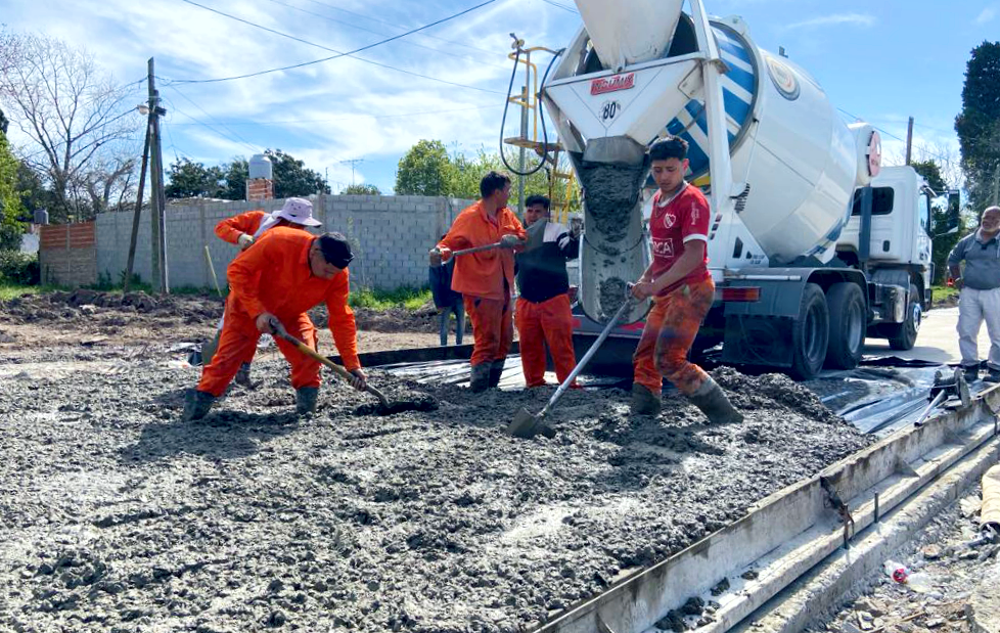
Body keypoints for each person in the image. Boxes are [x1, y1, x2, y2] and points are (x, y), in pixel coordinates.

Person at [183, 229, 366, 421]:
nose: (330, 277)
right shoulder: (279, 241)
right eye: (327, 271)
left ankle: (306, 415)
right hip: (246, 308)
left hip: (290, 314)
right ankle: (194, 414)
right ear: (315, 252)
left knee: (308, 357)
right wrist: (258, 312)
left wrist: (352, 365)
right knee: (226, 364)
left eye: (334, 273)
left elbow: (341, 319)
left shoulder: (337, 274)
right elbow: (237, 271)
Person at [629, 136, 742, 424]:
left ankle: (725, 416)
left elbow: (693, 255)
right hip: (667, 291)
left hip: (691, 289)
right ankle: (644, 412)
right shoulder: (658, 200)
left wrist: (654, 286)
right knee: (645, 353)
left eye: (670, 169)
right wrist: (645, 279)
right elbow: (663, 253)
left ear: (685, 166)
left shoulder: (692, 201)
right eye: (657, 171)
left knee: (669, 358)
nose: (663, 177)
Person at [208, 197, 322, 387]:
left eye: (303, 226)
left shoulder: (300, 242)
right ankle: (237, 371)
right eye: (298, 225)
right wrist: (239, 237)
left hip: (276, 293)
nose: (300, 229)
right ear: (287, 220)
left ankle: (309, 371)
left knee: (303, 330)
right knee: (243, 330)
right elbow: (221, 227)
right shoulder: (258, 220)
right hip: (247, 287)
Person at [429, 171, 526, 392]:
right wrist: (438, 253)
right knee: (487, 340)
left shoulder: (506, 216)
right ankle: (479, 390)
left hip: (503, 288)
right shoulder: (470, 217)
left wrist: (516, 239)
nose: (509, 194)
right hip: (480, 290)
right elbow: (449, 244)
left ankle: (492, 388)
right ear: (497, 192)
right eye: (508, 190)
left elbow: (523, 238)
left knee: (504, 340)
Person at [515, 194, 580, 388]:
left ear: (546, 213)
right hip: (526, 300)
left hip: (554, 300)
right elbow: (511, 268)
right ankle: (534, 384)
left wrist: (574, 237)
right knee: (528, 346)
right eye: (530, 211)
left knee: (561, 346)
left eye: (538, 211)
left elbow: (570, 250)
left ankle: (569, 386)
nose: (533, 215)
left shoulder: (556, 230)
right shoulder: (518, 236)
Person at [948, 205, 1000, 383]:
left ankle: (996, 368)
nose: (989, 221)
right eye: (986, 217)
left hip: (995, 292)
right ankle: (970, 367)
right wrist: (956, 279)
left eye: (994, 219)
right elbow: (953, 259)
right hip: (969, 292)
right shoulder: (968, 241)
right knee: (966, 330)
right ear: (981, 218)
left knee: (997, 332)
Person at [429, 234, 465, 346]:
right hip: (446, 299)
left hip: (459, 297)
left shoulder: (458, 258)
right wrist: (438, 302)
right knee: (445, 326)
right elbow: (435, 284)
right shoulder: (437, 262)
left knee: (461, 324)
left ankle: (458, 348)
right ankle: (443, 349)